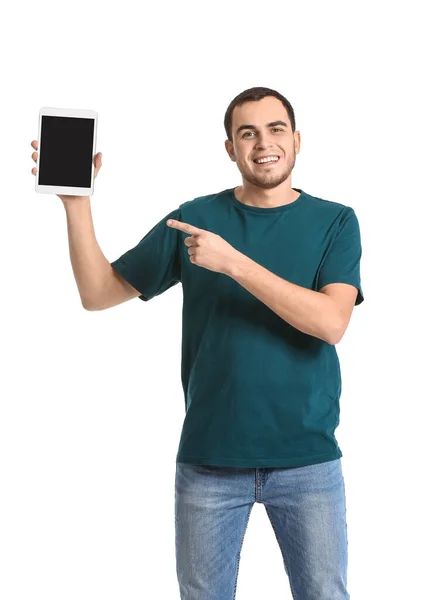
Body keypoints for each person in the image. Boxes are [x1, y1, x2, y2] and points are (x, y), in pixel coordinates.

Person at [30, 86, 364, 600]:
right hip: (210, 462)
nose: (263, 143)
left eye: (276, 129)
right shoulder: (195, 219)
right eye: (246, 133)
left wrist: (233, 263)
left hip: (308, 461)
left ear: (297, 140)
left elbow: (331, 323)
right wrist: (77, 205)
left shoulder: (336, 221)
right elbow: (97, 294)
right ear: (230, 148)